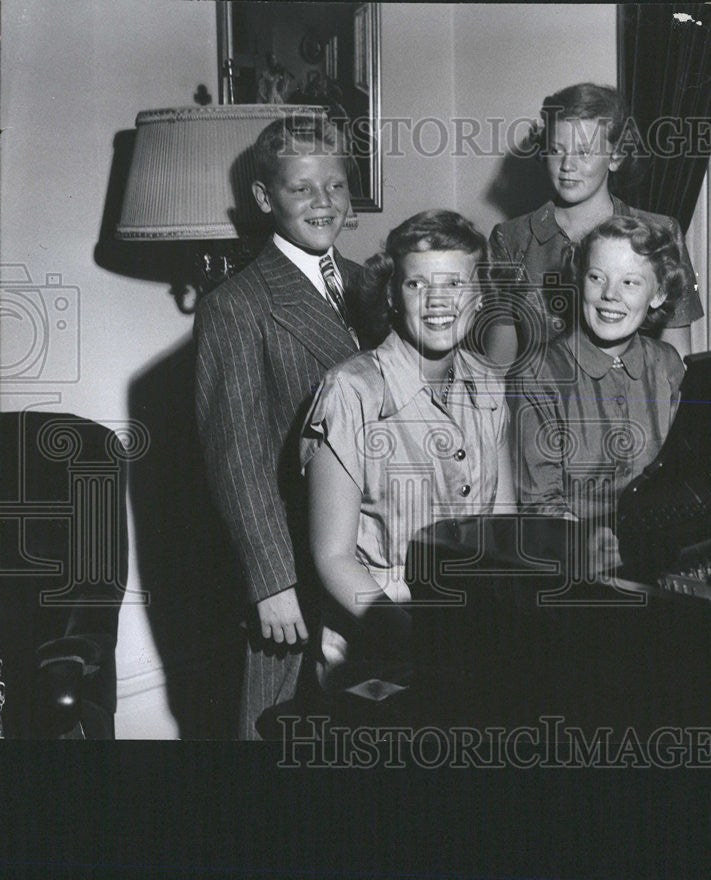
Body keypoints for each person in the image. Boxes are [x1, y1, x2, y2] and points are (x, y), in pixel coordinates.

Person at [194, 112, 376, 739]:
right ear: (265, 198)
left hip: (369, 547)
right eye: (302, 189)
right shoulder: (236, 305)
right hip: (294, 561)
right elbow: (238, 456)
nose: (323, 202)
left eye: (336, 186)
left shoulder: (371, 286)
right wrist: (270, 581)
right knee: (278, 719)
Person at [301, 210, 514, 687]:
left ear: (479, 297)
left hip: (474, 622)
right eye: (418, 284)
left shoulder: (490, 385)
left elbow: (503, 526)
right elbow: (332, 558)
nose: (438, 301)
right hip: (375, 632)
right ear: (393, 295)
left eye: (455, 284)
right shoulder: (350, 392)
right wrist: (421, 639)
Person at [510, 215, 689, 573]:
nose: (610, 294)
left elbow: (682, 477)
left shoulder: (667, 364)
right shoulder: (537, 373)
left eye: (630, 282)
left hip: (662, 550)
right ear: (579, 280)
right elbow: (541, 505)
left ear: (658, 295)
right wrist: (587, 547)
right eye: (597, 277)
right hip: (575, 563)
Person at [485, 83, 703, 369]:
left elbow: (676, 360)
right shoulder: (510, 239)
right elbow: (500, 365)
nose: (567, 166)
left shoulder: (662, 232)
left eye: (584, 152)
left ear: (615, 157)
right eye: (556, 150)